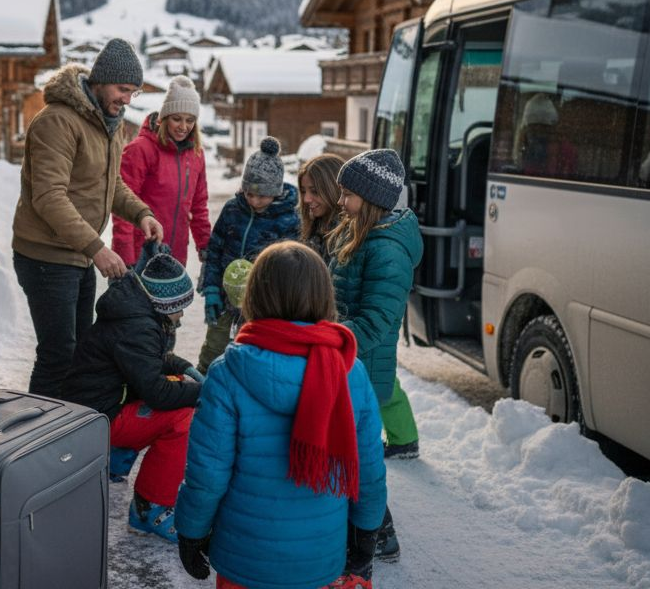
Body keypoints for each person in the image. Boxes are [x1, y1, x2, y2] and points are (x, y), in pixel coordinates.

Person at [175, 241, 388, 589]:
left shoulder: (228, 372)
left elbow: (207, 473)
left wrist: (191, 532)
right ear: (323, 295)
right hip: (320, 560)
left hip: (244, 560)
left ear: (255, 295)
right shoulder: (350, 372)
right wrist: (366, 533)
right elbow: (369, 470)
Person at [12, 38, 164, 399]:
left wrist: (141, 213)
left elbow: (110, 184)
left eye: (134, 92)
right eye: (122, 89)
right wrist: (97, 248)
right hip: (46, 257)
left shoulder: (109, 123)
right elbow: (49, 197)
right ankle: (35, 440)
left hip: (78, 255)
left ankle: (67, 431)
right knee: (57, 354)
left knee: (81, 351)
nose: (127, 99)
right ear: (100, 81)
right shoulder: (57, 122)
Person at [61, 242, 202, 543]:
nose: (181, 316)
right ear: (164, 304)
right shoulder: (138, 326)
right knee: (182, 418)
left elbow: (149, 361)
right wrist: (203, 392)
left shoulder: (134, 310)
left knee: (177, 383)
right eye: (179, 307)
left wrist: (186, 369)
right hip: (98, 418)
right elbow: (157, 394)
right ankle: (149, 509)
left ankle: (118, 457)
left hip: (97, 405)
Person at [327, 148, 423, 563]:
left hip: (361, 364)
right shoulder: (361, 230)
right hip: (350, 359)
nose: (340, 201)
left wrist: (332, 338)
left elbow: (378, 319)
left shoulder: (387, 249)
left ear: (371, 200)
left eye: (347, 194)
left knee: (358, 457)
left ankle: (380, 533)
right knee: (349, 452)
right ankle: (353, 522)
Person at [197, 136, 300, 373]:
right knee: (213, 350)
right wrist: (212, 288)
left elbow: (290, 267)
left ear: (275, 191)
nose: (254, 200)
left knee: (249, 357)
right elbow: (215, 249)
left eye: (262, 195)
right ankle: (201, 388)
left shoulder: (288, 220)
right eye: (249, 193)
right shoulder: (233, 209)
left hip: (261, 306)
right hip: (224, 298)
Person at [111, 75, 211, 267]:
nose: (183, 127)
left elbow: (199, 207)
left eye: (190, 120)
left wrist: (205, 246)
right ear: (164, 118)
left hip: (175, 255)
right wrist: (125, 257)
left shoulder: (196, 155)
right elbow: (121, 207)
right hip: (140, 254)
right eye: (176, 119)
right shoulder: (140, 149)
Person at [298, 153, 346, 261]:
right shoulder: (316, 225)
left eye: (314, 191)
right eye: (303, 191)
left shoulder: (345, 236)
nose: (306, 199)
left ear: (334, 189)